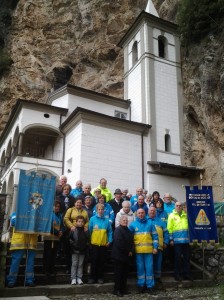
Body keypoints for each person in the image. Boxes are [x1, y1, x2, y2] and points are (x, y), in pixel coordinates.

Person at [129, 208, 158, 294]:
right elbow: (130, 239)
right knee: (140, 269)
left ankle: (150, 286)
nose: (141, 214)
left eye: (142, 213)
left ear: (145, 213)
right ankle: (141, 285)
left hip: (149, 251)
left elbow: (155, 237)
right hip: (138, 252)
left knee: (149, 269)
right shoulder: (133, 225)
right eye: (139, 213)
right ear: (136, 214)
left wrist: (155, 247)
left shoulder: (150, 223)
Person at [7, 212, 38, 288]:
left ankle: (29, 280)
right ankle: (11, 280)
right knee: (16, 261)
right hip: (19, 241)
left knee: (30, 262)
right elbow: (13, 223)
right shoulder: (16, 212)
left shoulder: (36, 214)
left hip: (31, 241)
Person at [88, 203, 113, 284]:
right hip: (94, 244)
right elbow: (90, 231)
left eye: (102, 209)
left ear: (104, 210)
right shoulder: (92, 219)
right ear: (97, 210)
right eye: (99, 209)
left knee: (101, 261)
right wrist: (90, 241)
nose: (100, 211)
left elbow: (110, 232)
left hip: (103, 244)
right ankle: (92, 278)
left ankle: (100, 277)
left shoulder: (107, 220)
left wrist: (109, 241)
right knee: (94, 261)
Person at [167, 202, 192, 281]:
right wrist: (171, 239)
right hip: (177, 242)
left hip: (186, 241)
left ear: (182, 207)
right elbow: (169, 228)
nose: (178, 207)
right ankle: (177, 275)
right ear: (174, 207)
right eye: (177, 205)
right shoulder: (171, 215)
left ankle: (186, 274)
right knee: (177, 259)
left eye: (180, 205)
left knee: (187, 258)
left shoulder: (186, 215)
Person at [111, 215, 134, 297]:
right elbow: (119, 243)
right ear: (120, 221)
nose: (125, 221)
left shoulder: (128, 230)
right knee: (118, 274)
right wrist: (128, 251)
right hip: (119, 256)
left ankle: (123, 289)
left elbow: (132, 241)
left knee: (125, 274)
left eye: (126, 220)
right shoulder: (118, 230)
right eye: (123, 220)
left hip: (126, 257)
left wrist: (131, 250)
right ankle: (116, 290)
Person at [148, 206, 169, 284]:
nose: (152, 212)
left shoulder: (160, 222)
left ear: (156, 212)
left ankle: (157, 277)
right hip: (148, 247)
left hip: (159, 246)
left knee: (158, 262)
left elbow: (166, 233)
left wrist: (166, 242)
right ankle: (151, 278)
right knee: (150, 263)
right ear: (148, 212)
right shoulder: (145, 221)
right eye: (151, 211)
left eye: (153, 211)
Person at [43, 201, 63, 280]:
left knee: (54, 254)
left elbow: (61, 225)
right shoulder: (48, 214)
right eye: (55, 206)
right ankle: (46, 269)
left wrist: (61, 231)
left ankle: (51, 269)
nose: (57, 208)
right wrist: (57, 232)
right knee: (48, 254)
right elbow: (47, 225)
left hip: (56, 238)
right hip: (49, 237)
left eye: (58, 206)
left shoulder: (60, 216)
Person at [69, 215, 89, 285]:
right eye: (79, 221)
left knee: (80, 264)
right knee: (74, 264)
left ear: (84, 223)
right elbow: (70, 239)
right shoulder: (73, 229)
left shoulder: (85, 230)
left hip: (82, 250)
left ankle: (79, 277)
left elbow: (87, 239)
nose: (80, 223)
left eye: (82, 222)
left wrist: (85, 246)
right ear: (76, 222)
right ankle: (73, 278)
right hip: (74, 250)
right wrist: (74, 245)